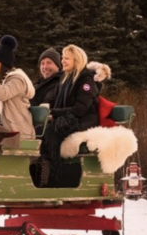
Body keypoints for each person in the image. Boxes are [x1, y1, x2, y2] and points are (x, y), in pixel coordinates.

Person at [37, 44, 100, 186]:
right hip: (69, 117)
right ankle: (42, 169)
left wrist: (54, 114)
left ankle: (53, 177)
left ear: (76, 60)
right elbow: (54, 101)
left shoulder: (86, 80)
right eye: (63, 58)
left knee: (54, 129)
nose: (63, 61)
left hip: (84, 120)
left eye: (67, 59)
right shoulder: (65, 79)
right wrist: (46, 108)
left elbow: (80, 109)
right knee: (43, 127)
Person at [0, 35, 35, 148]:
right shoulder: (2, 81)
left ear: (4, 63)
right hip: (4, 129)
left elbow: (3, 94)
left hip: (18, 132)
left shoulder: (17, 79)